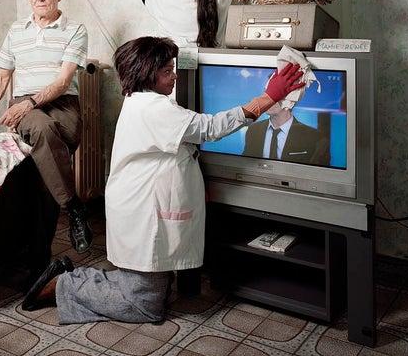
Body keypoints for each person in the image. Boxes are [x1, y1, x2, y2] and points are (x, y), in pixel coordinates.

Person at [22, 36, 305, 323]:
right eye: (167, 71)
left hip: (140, 208)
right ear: (147, 74)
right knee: (144, 307)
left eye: (173, 69)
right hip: (142, 214)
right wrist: (268, 97)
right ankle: (65, 284)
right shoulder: (153, 108)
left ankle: (72, 276)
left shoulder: (144, 102)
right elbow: (210, 128)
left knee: (141, 290)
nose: (174, 77)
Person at [0, 0, 91, 253]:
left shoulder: (75, 29)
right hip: (25, 108)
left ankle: (37, 261)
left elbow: (64, 81)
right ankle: (74, 207)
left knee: (44, 175)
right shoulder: (17, 30)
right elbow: (2, 77)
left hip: (62, 105)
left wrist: (30, 103)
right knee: (41, 129)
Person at [243, 102, 330, 165]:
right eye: (267, 94)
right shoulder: (253, 130)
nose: (268, 100)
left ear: (291, 100)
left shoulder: (315, 138)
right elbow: (246, 165)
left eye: (275, 94)